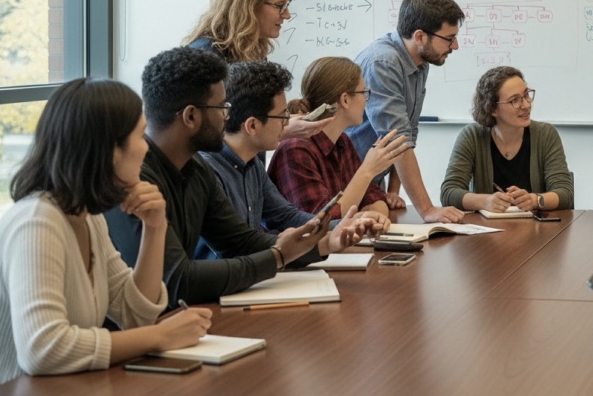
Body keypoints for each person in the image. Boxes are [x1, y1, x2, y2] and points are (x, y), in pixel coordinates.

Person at [105, 47, 378, 307]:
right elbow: (177, 278)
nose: (228, 116)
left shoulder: (195, 168)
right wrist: (278, 256)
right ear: (191, 116)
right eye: (221, 108)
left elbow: (241, 241)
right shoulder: (132, 180)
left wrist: (323, 244)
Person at [0, 79, 211, 390]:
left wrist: (155, 227)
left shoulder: (87, 217)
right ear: (110, 150)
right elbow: (42, 349)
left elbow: (136, 313)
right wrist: (160, 336)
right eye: (139, 135)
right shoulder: (36, 222)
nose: (146, 146)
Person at [196, 60, 391, 259]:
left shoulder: (252, 165)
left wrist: (347, 225)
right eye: (282, 116)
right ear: (252, 126)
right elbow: (239, 246)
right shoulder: (207, 171)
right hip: (225, 285)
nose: (288, 124)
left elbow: (287, 216)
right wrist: (325, 243)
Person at [345, 0, 467, 223]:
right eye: (449, 38)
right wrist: (427, 210)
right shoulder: (383, 62)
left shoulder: (421, 60)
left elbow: (408, 132)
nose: (455, 46)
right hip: (346, 183)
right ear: (420, 36)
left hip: (372, 184)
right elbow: (396, 140)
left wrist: (392, 191)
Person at [183, 0, 327, 139]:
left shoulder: (253, 52)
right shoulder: (205, 58)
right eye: (279, 5)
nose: (287, 15)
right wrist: (281, 131)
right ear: (249, 4)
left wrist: (279, 122)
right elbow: (203, 135)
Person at [270, 57, 409, 218]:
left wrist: (370, 216)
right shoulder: (296, 149)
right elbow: (320, 223)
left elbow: (375, 197)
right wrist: (368, 170)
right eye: (364, 92)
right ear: (344, 100)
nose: (366, 100)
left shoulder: (342, 141)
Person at [440, 66, 573, 211]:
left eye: (526, 95)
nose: (526, 105)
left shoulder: (545, 134)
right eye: (514, 100)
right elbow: (449, 192)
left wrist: (535, 200)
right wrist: (485, 201)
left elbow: (565, 193)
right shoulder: (472, 136)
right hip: (488, 230)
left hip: (537, 230)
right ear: (492, 109)